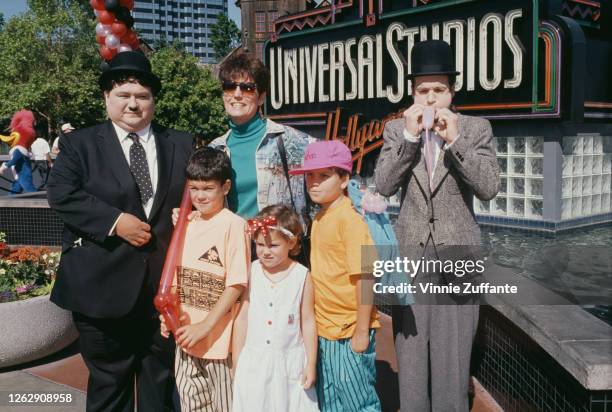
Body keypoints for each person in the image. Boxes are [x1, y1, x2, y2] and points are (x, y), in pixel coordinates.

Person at [47, 51, 193, 412]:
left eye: (142, 96)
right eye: (123, 95)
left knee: (160, 384)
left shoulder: (182, 143)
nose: (133, 104)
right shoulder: (78, 144)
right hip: (102, 291)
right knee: (110, 388)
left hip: (163, 293)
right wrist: (116, 222)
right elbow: (62, 195)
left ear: (153, 100)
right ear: (106, 98)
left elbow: (201, 196)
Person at [374, 40, 500, 412]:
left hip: (457, 253)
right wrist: (411, 139)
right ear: (412, 93)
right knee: (410, 361)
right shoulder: (397, 131)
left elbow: (489, 187)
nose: (430, 100)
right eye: (423, 91)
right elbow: (383, 185)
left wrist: (455, 141)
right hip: (411, 257)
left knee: (453, 363)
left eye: (438, 91)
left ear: (452, 91)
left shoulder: (475, 129)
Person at [290, 140, 381, 412]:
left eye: (324, 176)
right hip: (325, 328)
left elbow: (366, 276)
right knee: (330, 399)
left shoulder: (351, 221)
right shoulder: (319, 219)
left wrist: (362, 331)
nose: (314, 183)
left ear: (344, 180)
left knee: (358, 400)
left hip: (349, 327)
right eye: (310, 175)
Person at [161, 147, 250, 412]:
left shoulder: (234, 225)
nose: (200, 196)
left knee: (225, 406)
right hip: (185, 337)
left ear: (225, 187)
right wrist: (167, 317)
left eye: (208, 188)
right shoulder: (185, 223)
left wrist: (206, 326)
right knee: (191, 405)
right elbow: (174, 273)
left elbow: (236, 284)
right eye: (194, 188)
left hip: (219, 344)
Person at [209, 53, 315, 221]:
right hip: (234, 245)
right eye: (230, 86)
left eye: (248, 88)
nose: (237, 94)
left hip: (280, 244)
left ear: (262, 97)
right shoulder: (214, 150)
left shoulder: (292, 141)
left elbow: (330, 194)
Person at [232, 204, 318, 412]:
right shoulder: (251, 271)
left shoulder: (301, 275)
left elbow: (307, 321)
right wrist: (237, 361)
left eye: (273, 246)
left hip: (290, 363)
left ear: (291, 242)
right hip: (254, 364)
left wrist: (311, 364)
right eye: (260, 244)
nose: (265, 251)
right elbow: (242, 317)